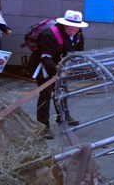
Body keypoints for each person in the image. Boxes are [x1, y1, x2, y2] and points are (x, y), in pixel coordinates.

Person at [29, 10, 88, 139]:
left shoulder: (78, 34)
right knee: (45, 94)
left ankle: (63, 116)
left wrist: (72, 64)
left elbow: (78, 50)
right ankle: (43, 125)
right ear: (64, 24)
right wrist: (56, 72)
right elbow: (45, 56)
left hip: (61, 65)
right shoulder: (50, 34)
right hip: (43, 65)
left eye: (76, 27)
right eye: (70, 26)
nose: (73, 29)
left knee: (62, 90)